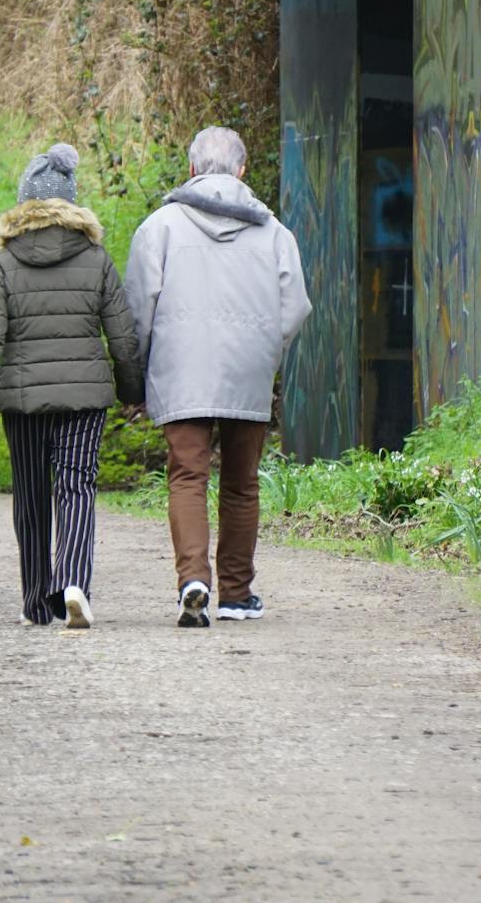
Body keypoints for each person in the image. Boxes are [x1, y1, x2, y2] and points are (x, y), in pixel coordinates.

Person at [0, 144, 142, 629]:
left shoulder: (6, 263)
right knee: (77, 487)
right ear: (73, 204)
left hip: (24, 400)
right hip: (85, 399)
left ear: (23, 204)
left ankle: (36, 602)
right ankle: (72, 583)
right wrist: (133, 391)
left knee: (31, 496)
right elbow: (123, 335)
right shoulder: (96, 257)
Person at [124, 127, 312, 628]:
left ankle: (193, 580)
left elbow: (138, 308)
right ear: (242, 171)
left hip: (180, 369)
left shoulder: (159, 228)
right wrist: (269, 352)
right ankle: (237, 593)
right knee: (241, 483)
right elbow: (294, 308)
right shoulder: (274, 232)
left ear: (190, 170)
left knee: (188, 475)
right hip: (247, 369)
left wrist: (139, 372)